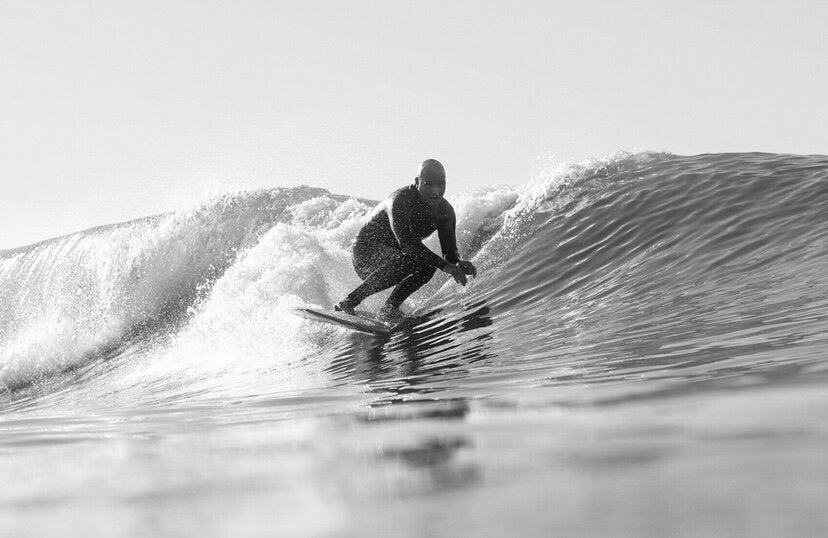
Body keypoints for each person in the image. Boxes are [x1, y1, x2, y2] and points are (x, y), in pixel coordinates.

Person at [335, 159, 477, 322]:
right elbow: (408, 244)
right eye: (428, 184)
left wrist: (458, 263)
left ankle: (388, 309)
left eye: (441, 184)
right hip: (366, 254)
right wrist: (445, 266)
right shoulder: (401, 200)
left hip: (395, 259)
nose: (436, 191)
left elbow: (449, 252)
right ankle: (348, 302)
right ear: (417, 182)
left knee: (427, 266)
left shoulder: (445, 212)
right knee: (419, 260)